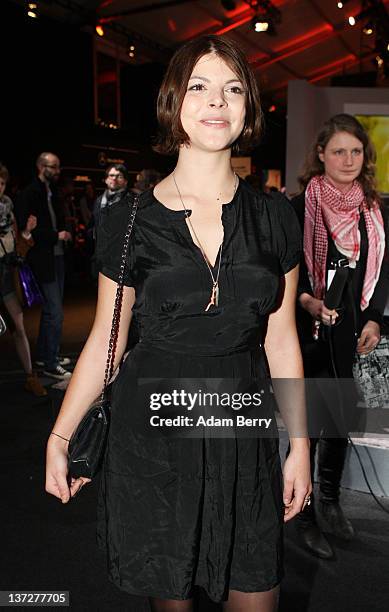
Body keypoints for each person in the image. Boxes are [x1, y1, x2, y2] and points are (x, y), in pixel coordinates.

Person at [46, 35, 311, 612]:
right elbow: (105, 342)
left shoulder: (274, 216)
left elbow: (282, 340)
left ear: (248, 109)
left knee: (257, 591)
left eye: (232, 88)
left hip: (246, 433)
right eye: (199, 86)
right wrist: (60, 436)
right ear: (174, 101)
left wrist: (299, 442)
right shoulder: (129, 218)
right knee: (171, 599)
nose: (217, 101)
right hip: (156, 440)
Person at [291, 114, 388, 559]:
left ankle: (329, 503)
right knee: (308, 426)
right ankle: (305, 511)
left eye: (355, 151)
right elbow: (283, 275)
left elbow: (384, 271)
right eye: (338, 151)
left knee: (339, 420)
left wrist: (374, 320)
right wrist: (308, 302)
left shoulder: (376, 208)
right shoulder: (299, 206)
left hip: (351, 328)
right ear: (321, 156)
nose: (348, 160)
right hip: (308, 330)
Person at [15, 152, 72, 380]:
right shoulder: (29, 194)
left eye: (58, 167)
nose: (58, 171)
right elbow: (27, 231)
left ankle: (45, 355)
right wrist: (56, 235)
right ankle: (50, 362)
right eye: (53, 167)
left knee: (51, 310)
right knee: (55, 312)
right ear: (41, 166)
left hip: (56, 257)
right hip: (43, 259)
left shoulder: (52, 192)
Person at [0, 163, 47, 396]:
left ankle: (30, 377)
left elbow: (19, 250)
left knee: (18, 326)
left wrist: (27, 233)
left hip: (6, 275)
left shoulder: (8, 210)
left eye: (1, 183)